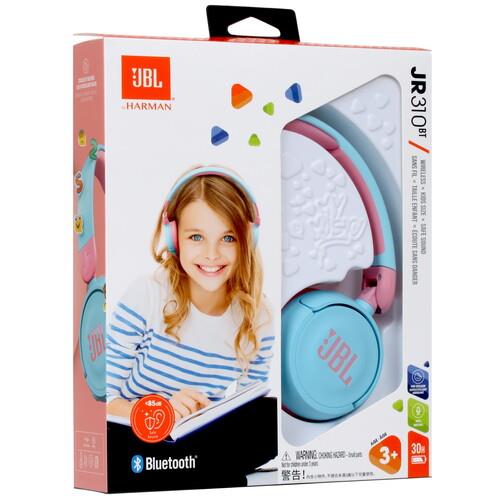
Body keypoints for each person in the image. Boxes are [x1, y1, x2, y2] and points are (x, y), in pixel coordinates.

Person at [105, 167, 277, 490]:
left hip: (198, 454)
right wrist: (162, 412)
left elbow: (247, 417)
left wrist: (212, 416)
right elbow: (101, 401)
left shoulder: (259, 318)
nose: (211, 254)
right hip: (131, 449)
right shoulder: (147, 296)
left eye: (228, 238)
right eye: (196, 237)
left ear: (247, 240)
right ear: (174, 238)